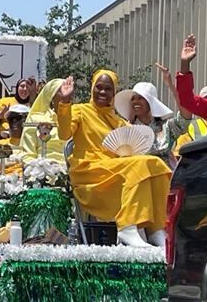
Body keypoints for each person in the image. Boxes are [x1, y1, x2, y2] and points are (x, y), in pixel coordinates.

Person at [56, 71, 172, 248]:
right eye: (99, 87)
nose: (103, 92)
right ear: (92, 89)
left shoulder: (119, 122)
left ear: (114, 92)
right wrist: (65, 102)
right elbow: (64, 134)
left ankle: (156, 229)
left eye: (108, 89)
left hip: (115, 171)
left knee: (156, 165)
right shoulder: (81, 110)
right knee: (139, 166)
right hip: (89, 171)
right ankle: (127, 226)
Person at [114, 81, 188, 166]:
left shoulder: (166, 127)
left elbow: (185, 118)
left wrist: (173, 89)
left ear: (151, 102)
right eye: (133, 99)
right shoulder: (126, 130)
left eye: (140, 98)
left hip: (165, 172)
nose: (135, 101)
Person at [20, 78, 68, 165]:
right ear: (52, 96)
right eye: (63, 91)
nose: (68, 95)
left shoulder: (76, 119)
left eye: (70, 92)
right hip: (41, 169)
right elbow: (27, 156)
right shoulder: (35, 119)